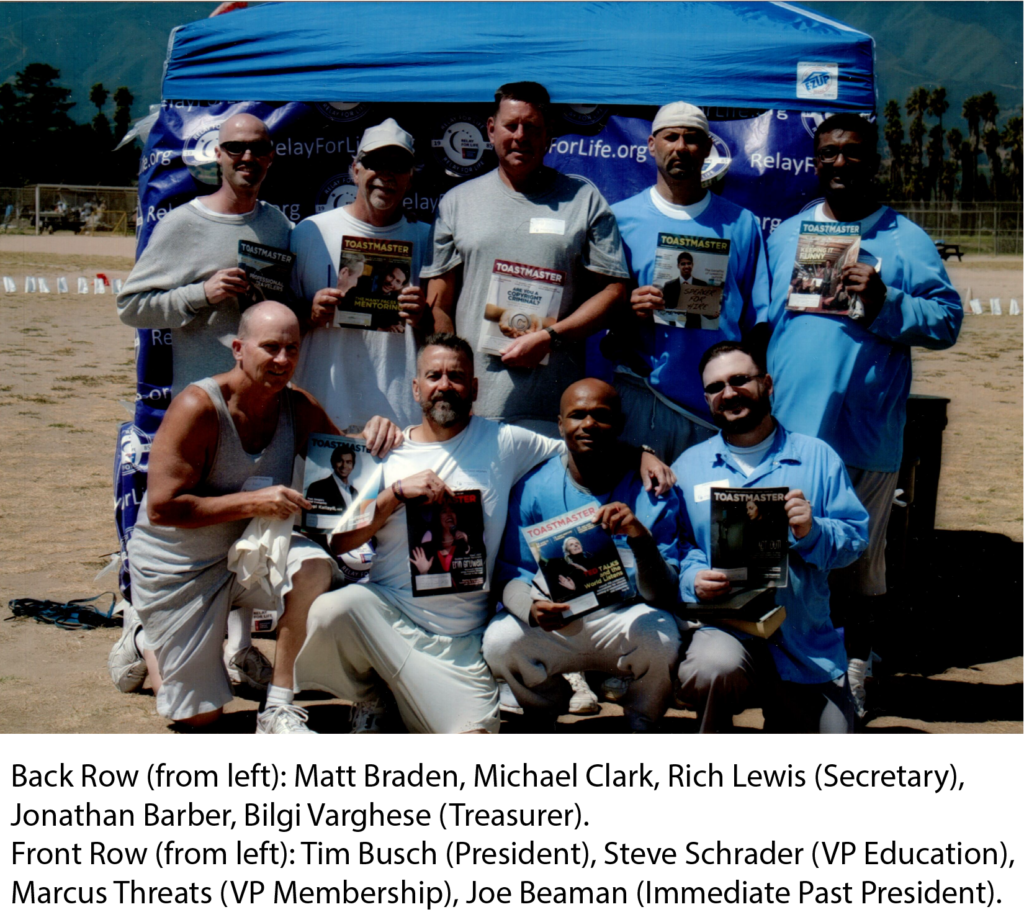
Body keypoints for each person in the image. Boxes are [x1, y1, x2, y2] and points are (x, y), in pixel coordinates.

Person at [293, 334, 675, 734]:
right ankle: (372, 692)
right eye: (434, 376)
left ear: (474, 388)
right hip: (387, 614)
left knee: (474, 732)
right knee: (331, 610)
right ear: (416, 388)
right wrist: (395, 494)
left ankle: (407, 695)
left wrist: (642, 453)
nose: (444, 385)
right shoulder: (387, 452)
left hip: (459, 641)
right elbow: (340, 542)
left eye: (456, 376)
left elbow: (582, 439)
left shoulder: (505, 442)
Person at [107, 301, 401, 734]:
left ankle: (278, 707)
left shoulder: (298, 407)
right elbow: (162, 508)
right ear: (238, 349)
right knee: (198, 718)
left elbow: (346, 464)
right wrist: (252, 503)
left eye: (292, 349)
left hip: (252, 553)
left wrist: (377, 433)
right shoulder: (197, 407)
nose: (282, 359)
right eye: (270, 347)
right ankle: (143, 637)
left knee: (314, 568)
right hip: (180, 565)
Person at [764, 112, 962, 716]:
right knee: (784, 556)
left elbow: (946, 321)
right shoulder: (786, 236)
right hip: (792, 433)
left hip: (865, 434)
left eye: (852, 152)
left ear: (874, 161)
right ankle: (785, 670)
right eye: (828, 153)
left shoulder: (906, 239)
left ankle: (854, 670)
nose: (840, 163)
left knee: (858, 562)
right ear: (815, 161)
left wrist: (885, 300)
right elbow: (760, 325)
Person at [673, 341, 869, 734]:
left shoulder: (817, 457)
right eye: (715, 387)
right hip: (726, 629)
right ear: (706, 398)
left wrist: (812, 531)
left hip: (802, 639)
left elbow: (854, 538)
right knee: (711, 668)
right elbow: (678, 546)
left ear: (767, 383)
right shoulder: (689, 466)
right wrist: (692, 577)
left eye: (739, 380)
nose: (729, 393)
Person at [421, 81, 629, 437]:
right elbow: (439, 303)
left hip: (555, 411)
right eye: (511, 125)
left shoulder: (583, 200)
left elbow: (614, 292)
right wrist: (454, 382)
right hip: (476, 410)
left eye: (532, 127)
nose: (520, 136)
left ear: (548, 135)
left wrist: (551, 337)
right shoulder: (457, 203)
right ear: (491, 130)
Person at [483, 379, 683, 732]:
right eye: (577, 415)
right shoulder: (533, 487)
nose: (589, 424)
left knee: (661, 634)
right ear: (560, 425)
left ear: (619, 424)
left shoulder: (652, 489)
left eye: (601, 415)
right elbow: (512, 572)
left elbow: (663, 593)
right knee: (500, 641)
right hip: (560, 620)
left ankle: (642, 720)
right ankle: (544, 707)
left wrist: (639, 537)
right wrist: (531, 610)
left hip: (624, 618)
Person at [608, 101, 770, 463]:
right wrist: (627, 308)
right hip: (645, 398)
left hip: (716, 408)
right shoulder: (619, 220)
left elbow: (757, 323)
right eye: (671, 137)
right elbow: (598, 314)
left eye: (692, 138)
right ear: (652, 145)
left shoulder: (741, 224)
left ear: (709, 148)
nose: (681, 147)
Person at [117, 114, 291, 399]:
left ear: (270, 157)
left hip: (267, 401)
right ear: (218, 154)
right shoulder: (183, 223)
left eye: (259, 148)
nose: (248, 157)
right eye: (235, 147)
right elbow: (130, 307)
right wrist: (202, 294)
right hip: (205, 401)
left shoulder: (278, 224)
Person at [290, 118, 431, 434]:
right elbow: (279, 326)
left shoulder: (428, 239)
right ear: (355, 170)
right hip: (322, 414)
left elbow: (443, 336)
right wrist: (310, 314)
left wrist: (423, 317)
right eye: (375, 164)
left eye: (398, 166)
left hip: (401, 420)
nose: (386, 175)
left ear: (410, 177)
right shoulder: (309, 233)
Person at [305, 444, 358, 512]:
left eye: (348, 462)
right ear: (333, 463)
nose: (344, 466)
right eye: (339, 461)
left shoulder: (354, 492)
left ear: (353, 466)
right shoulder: (316, 488)